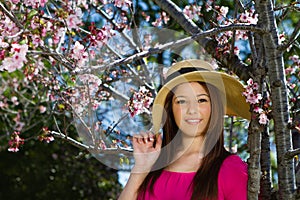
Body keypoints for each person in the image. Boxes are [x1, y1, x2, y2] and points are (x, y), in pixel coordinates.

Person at [118, 59, 250, 200]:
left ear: (214, 107)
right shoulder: (152, 167)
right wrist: (141, 168)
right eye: (181, 101)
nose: (192, 110)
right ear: (170, 109)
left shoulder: (232, 170)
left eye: (202, 100)